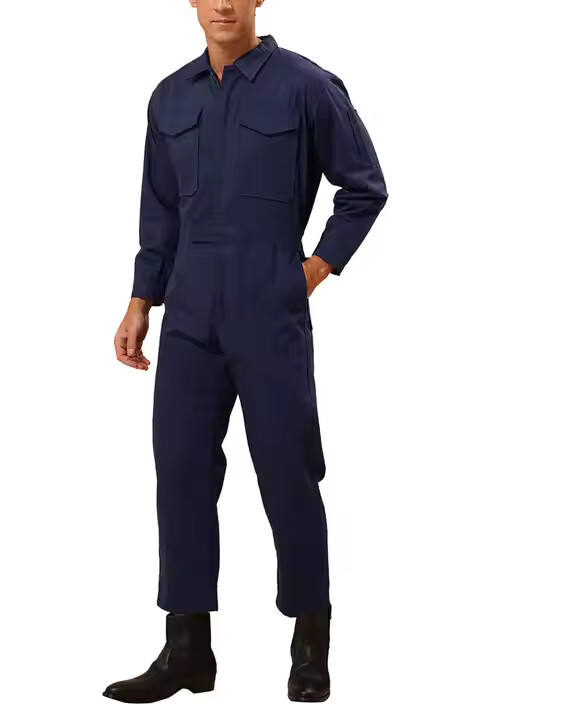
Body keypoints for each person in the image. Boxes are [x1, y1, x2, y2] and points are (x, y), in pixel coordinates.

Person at [104, 0, 387, 703]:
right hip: (189, 314)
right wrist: (141, 300)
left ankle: (311, 640)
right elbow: (159, 212)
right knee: (180, 472)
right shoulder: (170, 97)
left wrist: (315, 268)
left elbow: (364, 188)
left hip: (269, 309)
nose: (224, 4)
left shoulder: (307, 86)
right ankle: (187, 650)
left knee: (288, 471)